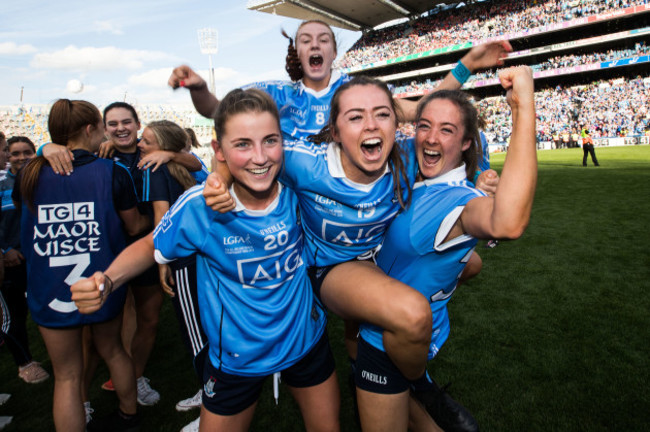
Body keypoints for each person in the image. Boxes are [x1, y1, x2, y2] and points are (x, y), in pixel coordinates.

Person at [203, 76, 499, 431]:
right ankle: (422, 387)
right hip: (330, 268)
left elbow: (449, 147)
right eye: (356, 117)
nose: (371, 125)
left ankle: (376, 374)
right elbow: (249, 152)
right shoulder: (302, 161)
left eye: (382, 115)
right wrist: (219, 176)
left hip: (378, 255)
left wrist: (483, 182)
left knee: (472, 264)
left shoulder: (407, 153)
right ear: (334, 131)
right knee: (408, 314)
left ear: (396, 123)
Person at [70, 88, 340, 432]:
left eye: (270, 140)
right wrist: (107, 280)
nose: (260, 157)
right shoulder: (200, 206)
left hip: (306, 342)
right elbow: (152, 244)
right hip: (236, 359)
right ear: (219, 150)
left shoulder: (298, 190)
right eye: (242, 144)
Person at [356, 66, 536, 432]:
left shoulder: (458, 199)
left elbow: (508, 222)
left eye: (447, 130)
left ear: (467, 142)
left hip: (388, 341)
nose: (431, 138)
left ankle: (423, 388)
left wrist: (523, 108)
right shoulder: (416, 178)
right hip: (381, 325)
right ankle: (427, 394)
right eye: (425, 125)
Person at [14, 99, 149, 432]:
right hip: (101, 281)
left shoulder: (28, 173)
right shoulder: (111, 171)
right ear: (91, 129)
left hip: (48, 285)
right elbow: (134, 227)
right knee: (114, 349)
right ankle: (129, 417)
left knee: (67, 375)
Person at [168, 20, 513, 139]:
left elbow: (421, 109)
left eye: (324, 40)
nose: (315, 44)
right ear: (297, 54)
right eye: (305, 40)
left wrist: (467, 64)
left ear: (333, 53)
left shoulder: (360, 92)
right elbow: (218, 111)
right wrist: (199, 88)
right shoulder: (275, 94)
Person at [0, 136, 50, 384]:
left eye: (27, 152)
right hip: (10, 260)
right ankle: (25, 363)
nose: (21, 157)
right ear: (7, 155)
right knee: (15, 314)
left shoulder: (42, 178)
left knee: (42, 305)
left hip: (37, 256)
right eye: (15, 153)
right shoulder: (1, 182)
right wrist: (5, 249)